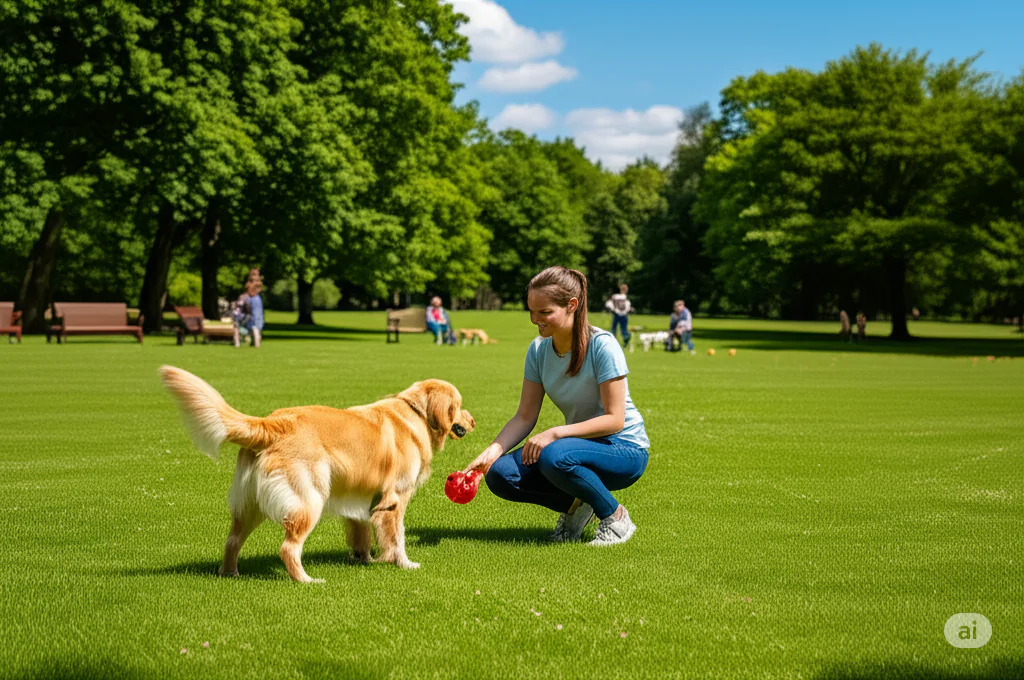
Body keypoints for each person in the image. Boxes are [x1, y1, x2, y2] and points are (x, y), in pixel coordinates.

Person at [464, 266, 650, 546]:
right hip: (576, 447)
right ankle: (579, 504)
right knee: (501, 475)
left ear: (571, 305)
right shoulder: (538, 350)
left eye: (544, 312)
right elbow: (525, 416)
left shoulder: (603, 345)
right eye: (531, 311)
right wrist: (492, 452)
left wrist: (555, 433)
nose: (535, 319)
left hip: (624, 450)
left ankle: (615, 518)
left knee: (554, 454)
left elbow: (615, 420)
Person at [233, 276, 264, 348]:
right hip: (248, 316)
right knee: (255, 328)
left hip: (246, 316)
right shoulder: (252, 298)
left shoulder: (248, 298)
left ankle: (239, 343)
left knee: (254, 328)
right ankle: (256, 343)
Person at [604, 283, 634, 348]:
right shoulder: (626, 298)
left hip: (616, 314)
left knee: (613, 328)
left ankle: (612, 342)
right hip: (624, 315)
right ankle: (626, 341)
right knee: (624, 329)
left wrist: (612, 310)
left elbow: (608, 304)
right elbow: (628, 306)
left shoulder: (615, 296)